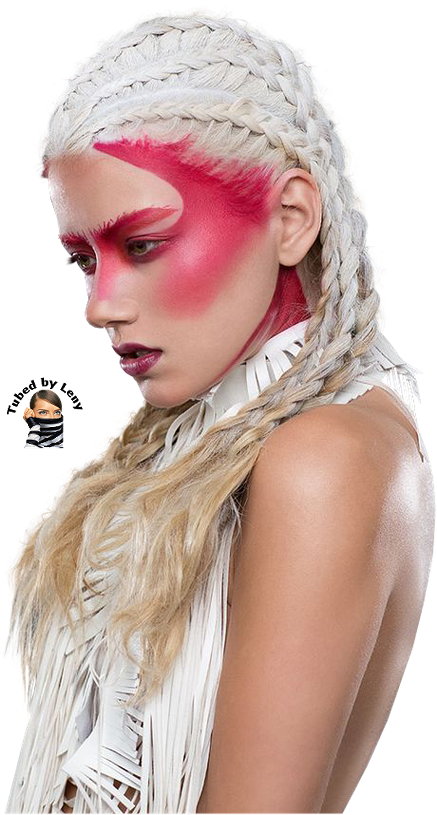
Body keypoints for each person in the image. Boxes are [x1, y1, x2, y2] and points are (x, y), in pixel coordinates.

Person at [4, 5, 435, 814]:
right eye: (83, 260)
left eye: (141, 245)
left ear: (290, 219)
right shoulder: (211, 439)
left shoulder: (326, 454)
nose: (99, 305)